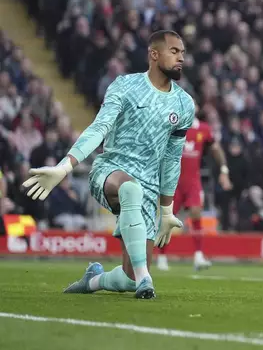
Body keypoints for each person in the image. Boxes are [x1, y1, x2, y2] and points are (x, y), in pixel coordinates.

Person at [22, 30, 194, 299]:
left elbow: (172, 159)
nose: (181, 58)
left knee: (128, 277)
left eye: (182, 53)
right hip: (109, 171)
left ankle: (95, 280)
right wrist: (65, 167)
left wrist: (167, 211)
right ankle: (146, 280)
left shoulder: (184, 104)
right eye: (174, 51)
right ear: (154, 54)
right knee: (130, 189)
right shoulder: (125, 86)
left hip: (149, 187)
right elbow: (99, 127)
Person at [157, 101, 232, 271]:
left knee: (196, 213)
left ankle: (198, 256)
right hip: (172, 181)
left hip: (192, 181)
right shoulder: (174, 126)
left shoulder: (203, 129)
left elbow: (216, 149)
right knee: (167, 219)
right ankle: (162, 257)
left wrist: (224, 170)